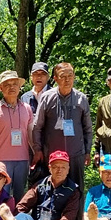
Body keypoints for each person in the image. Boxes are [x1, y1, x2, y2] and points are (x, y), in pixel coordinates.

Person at [32, 62, 93, 193]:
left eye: (70, 76)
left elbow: (88, 128)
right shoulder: (47, 97)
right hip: (53, 155)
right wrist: (38, 150)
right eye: (63, 76)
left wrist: (87, 151)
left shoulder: (81, 99)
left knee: (76, 191)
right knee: (52, 191)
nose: (67, 80)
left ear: (74, 77)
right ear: (55, 78)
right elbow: (37, 126)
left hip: (76, 154)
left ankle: (77, 208)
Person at [0, 70, 33, 202]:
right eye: (7, 85)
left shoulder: (27, 108)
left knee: (19, 195)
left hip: (22, 159)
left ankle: (17, 216)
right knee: (0, 194)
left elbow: (31, 134)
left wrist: (36, 153)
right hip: (1, 159)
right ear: (1, 88)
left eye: (14, 84)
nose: (11, 87)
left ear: (19, 87)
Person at [21, 61, 52, 187]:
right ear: (31, 77)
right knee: (33, 180)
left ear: (48, 77)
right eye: (36, 74)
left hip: (50, 145)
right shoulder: (24, 97)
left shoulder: (54, 94)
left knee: (51, 180)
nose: (39, 77)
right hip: (30, 146)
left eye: (42, 74)